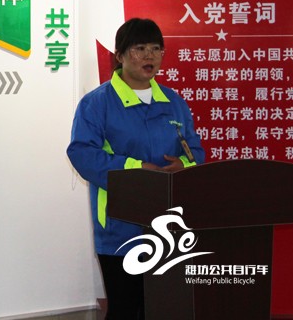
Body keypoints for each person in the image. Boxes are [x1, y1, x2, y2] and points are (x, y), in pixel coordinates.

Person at [66, 18, 205, 320]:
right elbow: (82, 153)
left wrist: (184, 164)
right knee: (126, 309)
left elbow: (195, 151)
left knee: (165, 308)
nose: (149, 56)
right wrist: (135, 168)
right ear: (119, 55)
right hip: (120, 225)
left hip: (170, 224)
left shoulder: (174, 102)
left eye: (156, 49)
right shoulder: (97, 104)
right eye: (139, 48)